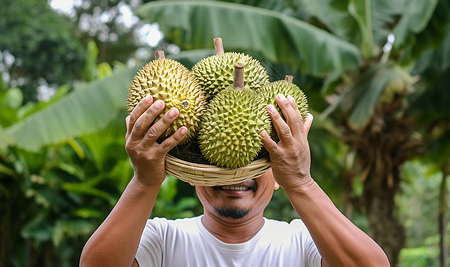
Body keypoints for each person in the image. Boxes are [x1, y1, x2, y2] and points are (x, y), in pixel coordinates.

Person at [80, 94, 390, 267]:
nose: (235, 174)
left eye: (255, 162)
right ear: (192, 173)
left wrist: (301, 182)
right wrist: (145, 182)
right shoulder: (162, 240)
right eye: (220, 162)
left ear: (278, 175)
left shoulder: (304, 243)